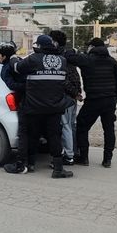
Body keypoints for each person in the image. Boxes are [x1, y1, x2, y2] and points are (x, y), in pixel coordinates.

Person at [4, 34, 74, 178]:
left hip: (34, 107)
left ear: (39, 46)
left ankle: (25, 165)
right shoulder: (62, 60)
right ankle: (58, 169)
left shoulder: (34, 59)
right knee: (54, 137)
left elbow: (17, 68)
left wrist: (13, 58)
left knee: (30, 136)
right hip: (54, 108)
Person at [67, 37, 117, 168]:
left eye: (89, 46)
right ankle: (107, 160)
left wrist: (73, 50)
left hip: (93, 100)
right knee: (109, 129)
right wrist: (116, 96)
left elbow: (69, 57)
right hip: (110, 100)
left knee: (82, 126)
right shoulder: (111, 61)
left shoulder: (87, 59)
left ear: (92, 47)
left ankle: (84, 157)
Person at [0, 41, 38, 171]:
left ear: (4, 56)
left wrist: (27, 87)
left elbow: (12, 85)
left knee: (24, 133)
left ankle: (21, 164)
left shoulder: (6, 69)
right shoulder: (20, 61)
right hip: (37, 99)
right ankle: (31, 162)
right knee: (34, 132)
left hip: (25, 101)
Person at [49, 30, 81, 167]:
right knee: (71, 125)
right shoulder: (68, 55)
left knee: (66, 126)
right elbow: (74, 76)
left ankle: (68, 156)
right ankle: (73, 152)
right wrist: (77, 92)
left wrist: (75, 93)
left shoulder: (59, 57)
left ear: (55, 42)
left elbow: (63, 79)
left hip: (66, 97)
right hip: (72, 97)